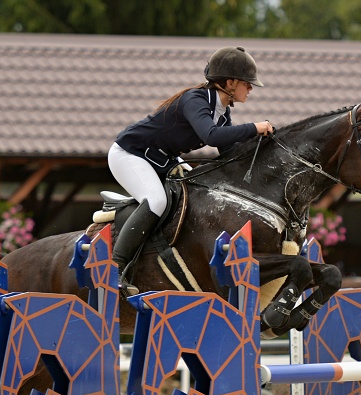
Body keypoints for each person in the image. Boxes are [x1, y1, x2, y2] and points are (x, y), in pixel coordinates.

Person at [105, 46, 274, 294]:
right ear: (230, 82)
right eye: (247, 84)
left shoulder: (222, 111)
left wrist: (264, 147)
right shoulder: (195, 100)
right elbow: (212, 136)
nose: (250, 89)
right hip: (130, 154)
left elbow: (228, 152)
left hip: (161, 159)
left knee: (195, 187)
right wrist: (254, 127)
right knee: (157, 201)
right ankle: (115, 268)